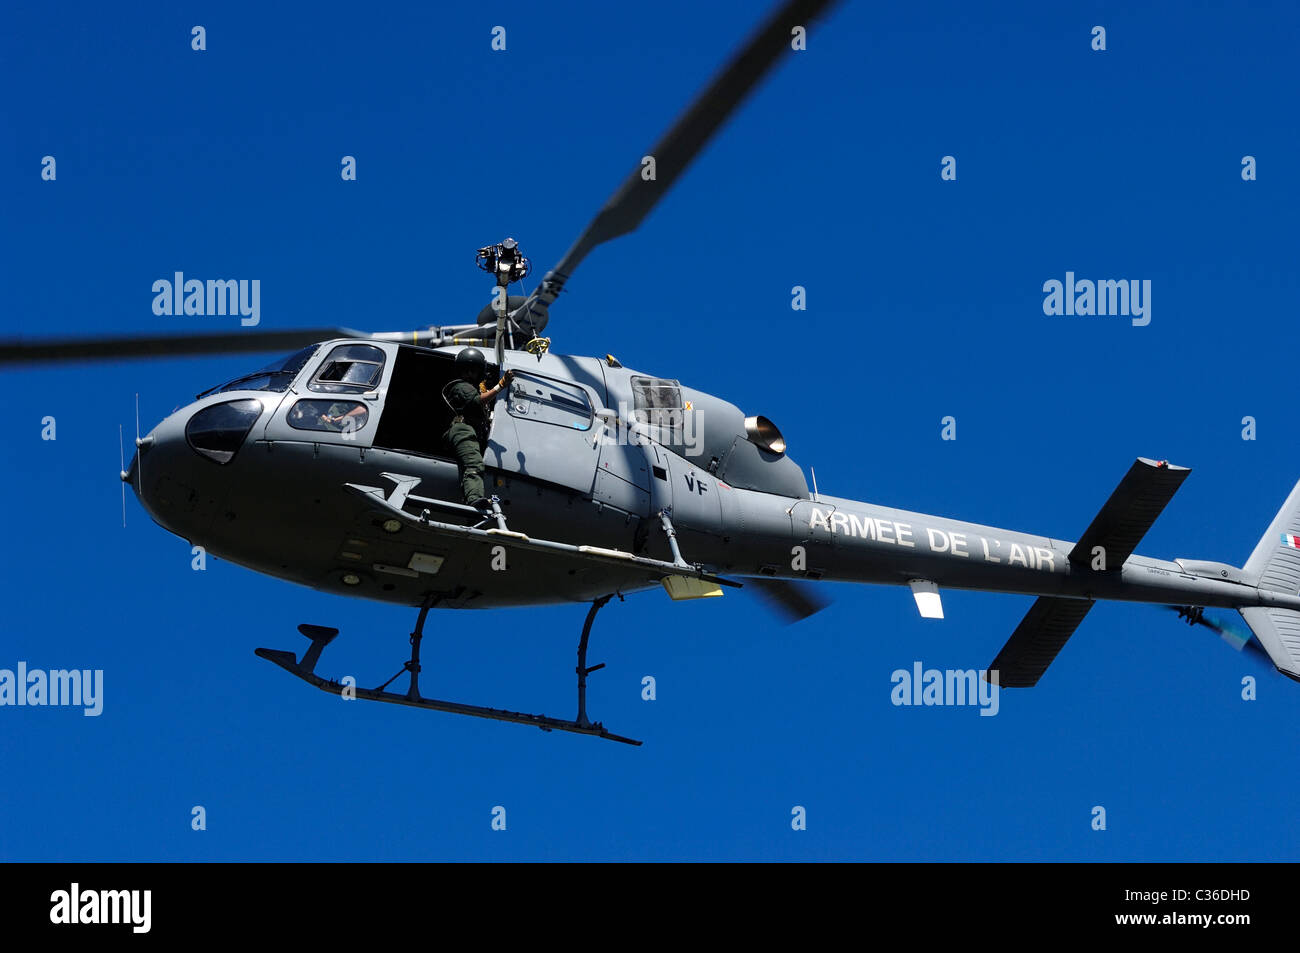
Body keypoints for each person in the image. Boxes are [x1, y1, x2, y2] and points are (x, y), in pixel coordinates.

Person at [442, 347, 513, 509]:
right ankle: (474, 499)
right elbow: (477, 401)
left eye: (473, 371)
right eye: (466, 370)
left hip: (469, 431)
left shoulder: (472, 388)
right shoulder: (460, 386)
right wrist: (500, 386)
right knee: (474, 463)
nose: (469, 374)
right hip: (462, 430)